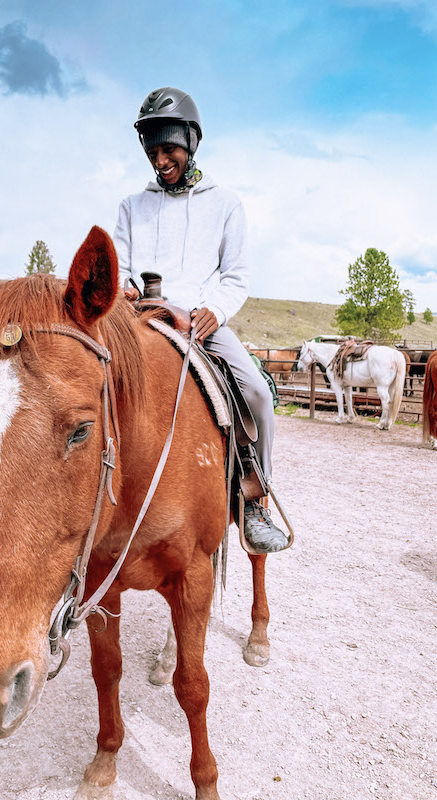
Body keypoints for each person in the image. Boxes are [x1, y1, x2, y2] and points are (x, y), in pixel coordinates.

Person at [113, 87, 288, 553]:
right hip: (141, 319)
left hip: (200, 321)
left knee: (255, 392)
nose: (160, 159)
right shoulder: (132, 206)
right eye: (153, 151)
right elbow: (122, 266)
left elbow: (236, 275)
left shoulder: (226, 203)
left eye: (168, 148)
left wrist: (215, 310)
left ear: (190, 143)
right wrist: (125, 287)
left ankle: (255, 499)